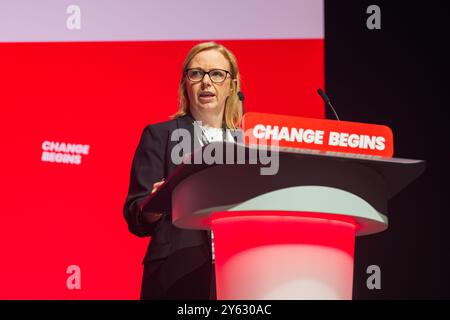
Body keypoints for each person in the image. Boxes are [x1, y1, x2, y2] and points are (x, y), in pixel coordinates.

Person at [123, 42, 244, 300]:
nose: (206, 82)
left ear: (231, 86)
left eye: (217, 74)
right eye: (196, 73)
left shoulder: (248, 142)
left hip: (241, 270)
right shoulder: (160, 136)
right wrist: (155, 204)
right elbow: (136, 213)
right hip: (177, 273)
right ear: (185, 84)